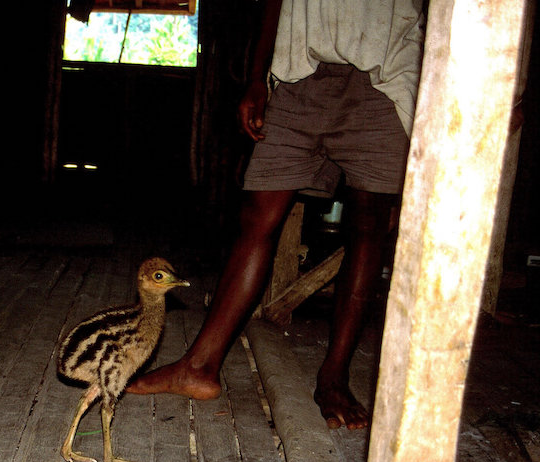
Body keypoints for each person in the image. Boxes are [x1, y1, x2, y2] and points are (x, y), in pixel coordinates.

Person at [127, 0, 425, 429]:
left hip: (386, 81)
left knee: (370, 227)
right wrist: (256, 78)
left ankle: (334, 377)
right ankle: (199, 367)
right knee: (257, 218)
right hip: (299, 73)